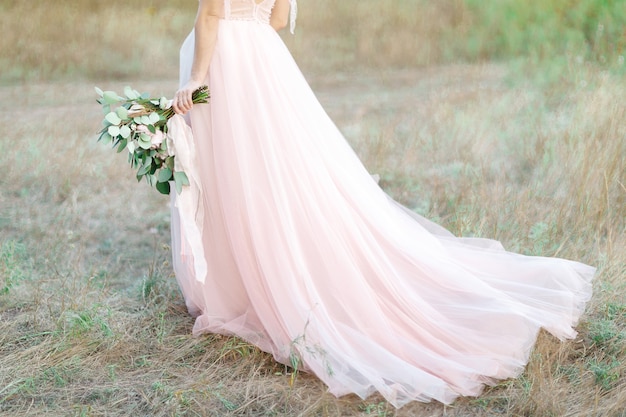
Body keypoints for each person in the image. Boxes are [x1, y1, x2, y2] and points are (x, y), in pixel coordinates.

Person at [168, 0, 594, 408]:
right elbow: (277, 18)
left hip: (227, 65)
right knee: (278, 173)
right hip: (265, 61)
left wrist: (196, 77)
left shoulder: (212, 53)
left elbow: (209, 13)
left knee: (238, 169)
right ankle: (272, 267)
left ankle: (244, 281)